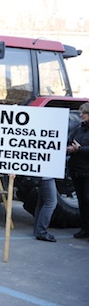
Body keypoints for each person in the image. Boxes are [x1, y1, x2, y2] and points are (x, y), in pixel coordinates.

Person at [67, 102, 89, 239]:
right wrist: (69, 147)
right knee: (82, 201)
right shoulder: (79, 129)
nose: (80, 115)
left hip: (88, 172)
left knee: (88, 199)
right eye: (80, 112)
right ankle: (85, 228)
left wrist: (79, 149)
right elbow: (70, 141)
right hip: (76, 171)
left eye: (84, 113)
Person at [33, 178, 57, 242]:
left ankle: (38, 230)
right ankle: (41, 231)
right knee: (50, 203)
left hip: (43, 176)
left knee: (42, 203)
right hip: (47, 176)